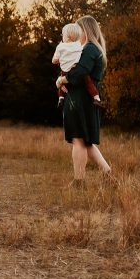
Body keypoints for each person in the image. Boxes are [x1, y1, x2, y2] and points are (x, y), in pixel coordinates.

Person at [56, 15, 112, 186]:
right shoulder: (93, 49)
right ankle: (108, 175)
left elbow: (79, 73)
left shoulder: (88, 49)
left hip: (80, 100)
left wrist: (62, 81)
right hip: (83, 99)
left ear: (85, 31)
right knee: (86, 142)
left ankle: (79, 182)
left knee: (78, 140)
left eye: (78, 31)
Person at [52, 22, 103, 109]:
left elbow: (55, 61)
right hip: (74, 70)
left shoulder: (61, 47)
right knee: (88, 82)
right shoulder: (79, 46)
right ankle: (96, 97)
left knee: (62, 83)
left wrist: (61, 79)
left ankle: (61, 98)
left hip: (69, 75)